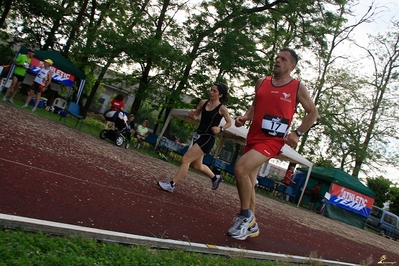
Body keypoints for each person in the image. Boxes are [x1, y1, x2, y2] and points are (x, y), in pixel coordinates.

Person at [227, 48, 318, 240]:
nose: (277, 60)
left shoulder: (297, 87)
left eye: (283, 59)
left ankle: (245, 216)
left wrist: (298, 133)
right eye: (277, 57)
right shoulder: (262, 82)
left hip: (273, 140)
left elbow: (313, 113)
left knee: (241, 169)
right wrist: (245, 116)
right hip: (253, 136)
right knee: (249, 180)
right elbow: (256, 103)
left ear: (292, 66)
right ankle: (252, 225)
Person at [157, 83, 232, 192]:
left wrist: (220, 129)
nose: (211, 92)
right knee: (197, 166)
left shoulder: (222, 109)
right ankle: (216, 177)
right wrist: (193, 115)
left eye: (214, 91)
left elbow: (229, 123)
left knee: (186, 159)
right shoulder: (203, 102)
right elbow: (197, 116)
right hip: (198, 135)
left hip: (208, 138)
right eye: (211, 90)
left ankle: (171, 185)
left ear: (220, 95)